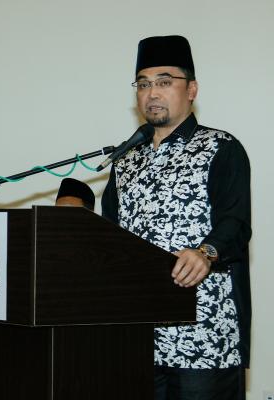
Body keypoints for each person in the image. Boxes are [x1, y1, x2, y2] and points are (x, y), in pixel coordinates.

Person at [101, 35, 251, 399]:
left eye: (165, 82)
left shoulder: (220, 147)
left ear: (192, 89)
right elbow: (108, 237)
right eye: (143, 84)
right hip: (136, 338)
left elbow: (235, 222)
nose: (152, 93)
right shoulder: (125, 160)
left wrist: (206, 253)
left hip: (204, 337)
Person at [0, 178, 95, 400]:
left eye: (70, 213)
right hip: (24, 344)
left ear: (89, 218)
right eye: (57, 212)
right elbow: (13, 297)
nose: (60, 220)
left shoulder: (95, 259)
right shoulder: (35, 251)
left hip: (69, 351)